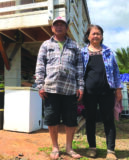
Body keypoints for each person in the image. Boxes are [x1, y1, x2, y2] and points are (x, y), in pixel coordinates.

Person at [35, 16, 84, 159]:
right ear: (52, 28)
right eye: (56, 24)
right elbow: (40, 66)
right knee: (52, 119)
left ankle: (69, 147)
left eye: (62, 24)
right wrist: (40, 85)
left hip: (70, 89)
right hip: (50, 88)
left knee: (71, 120)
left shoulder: (75, 46)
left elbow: (80, 67)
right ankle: (55, 147)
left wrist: (80, 86)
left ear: (66, 28)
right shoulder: (45, 45)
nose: (59, 27)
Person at [81, 25, 122, 160]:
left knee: (108, 119)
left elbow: (116, 71)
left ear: (102, 36)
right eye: (93, 34)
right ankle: (92, 148)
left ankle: (110, 150)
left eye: (98, 34)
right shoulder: (82, 53)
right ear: (88, 36)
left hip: (107, 92)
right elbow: (79, 72)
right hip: (89, 93)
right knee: (90, 119)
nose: (96, 36)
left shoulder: (109, 52)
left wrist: (118, 89)